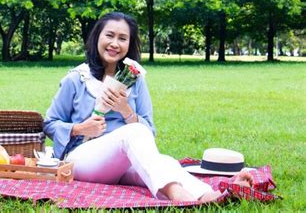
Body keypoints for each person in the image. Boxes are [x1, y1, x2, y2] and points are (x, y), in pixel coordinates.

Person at [43, 12, 252, 202]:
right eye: (109, 35)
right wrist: (80, 128)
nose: (115, 43)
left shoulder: (136, 81)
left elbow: (148, 132)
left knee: (166, 162)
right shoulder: (76, 79)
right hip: (82, 160)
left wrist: (126, 110)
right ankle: (182, 198)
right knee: (134, 133)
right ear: (97, 37)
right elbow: (49, 123)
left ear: (129, 44)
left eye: (122, 38)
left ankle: (208, 195)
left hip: (121, 165)